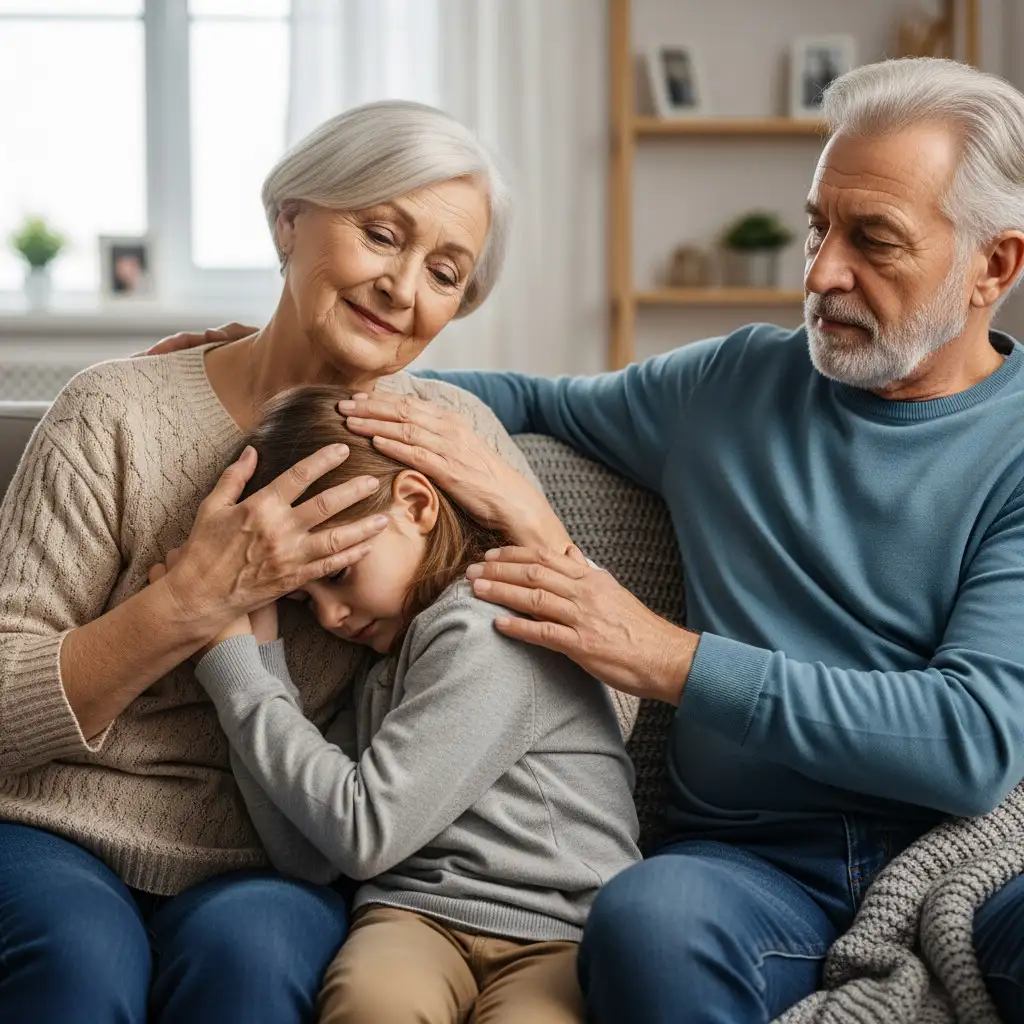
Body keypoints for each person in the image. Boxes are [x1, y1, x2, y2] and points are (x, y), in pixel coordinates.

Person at [162, 57, 1024, 1022]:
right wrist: (289, 364)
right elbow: (531, 401)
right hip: (747, 867)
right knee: (649, 918)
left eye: (874, 238)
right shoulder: (731, 385)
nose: (822, 272)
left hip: (967, 852)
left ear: (994, 266)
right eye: (818, 227)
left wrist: (669, 658)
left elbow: (972, 741)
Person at [0, 99, 566, 1024]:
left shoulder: (453, 444)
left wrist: (534, 521)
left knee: (257, 960)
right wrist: (184, 606)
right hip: (57, 827)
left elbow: (597, 704)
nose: (402, 288)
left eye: (445, 272)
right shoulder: (114, 413)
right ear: (289, 219)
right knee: (79, 959)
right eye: (381, 234)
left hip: (277, 854)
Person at [154, 384, 640, 1024]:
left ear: (416, 504)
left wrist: (236, 674)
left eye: (337, 576)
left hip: (557, 929)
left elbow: (363, 834)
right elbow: (310, 853)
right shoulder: (383, 669)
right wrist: (260, 657)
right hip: (414, 918)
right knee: (370, 1003)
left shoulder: (488, 625)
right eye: (303, 600)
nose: (329, 617)